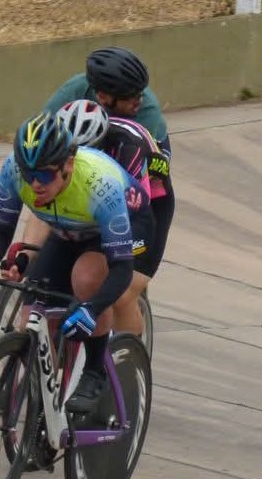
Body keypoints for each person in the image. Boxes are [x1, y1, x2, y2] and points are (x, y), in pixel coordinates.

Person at [0, 111, 148, 416]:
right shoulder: (13, 171)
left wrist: (92, 308)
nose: (34, 184)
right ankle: (44, 409)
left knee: (86, 279)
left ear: (68, 164)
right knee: (32, 312)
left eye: (44, 176)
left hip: (122, 227)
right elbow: (1, 229)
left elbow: (121, 269)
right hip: (66, 229)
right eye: (28, 174)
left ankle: (94, 371)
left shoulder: (101, 186)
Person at [41, 46, 176, 299]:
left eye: (140, 92)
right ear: (103, 96)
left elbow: (134, 196)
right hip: (84, 164)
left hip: (140, 185)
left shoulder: (146, 113)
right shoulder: (71, 94)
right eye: (131, 96)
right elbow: (40, 151)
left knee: (121, 293)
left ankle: (128, 320)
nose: (139, 100)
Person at [52, 98, 168, 335]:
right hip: (95, 209)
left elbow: (133, 215)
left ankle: (126, 355)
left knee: (120, 294)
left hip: (143, 209)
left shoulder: (128, 151)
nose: (76, 162)